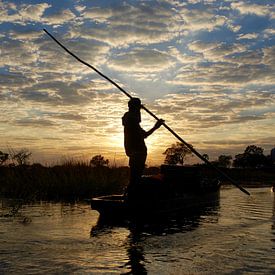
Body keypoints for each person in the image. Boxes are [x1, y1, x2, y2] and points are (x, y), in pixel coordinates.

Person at [122, 97, 164, 193]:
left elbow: (144, 134)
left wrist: (155, 127)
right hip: (137, 152)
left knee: (135, 177)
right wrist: (156, 126)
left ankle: (131, 193)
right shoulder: (130, 120)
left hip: (137, 152)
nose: (139, 113)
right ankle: (131, 194)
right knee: (135, 178)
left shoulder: (133, 123)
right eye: (137, 109)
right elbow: (135, 119)